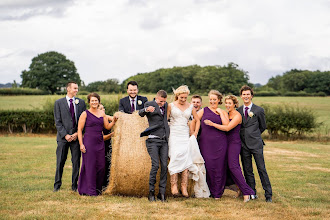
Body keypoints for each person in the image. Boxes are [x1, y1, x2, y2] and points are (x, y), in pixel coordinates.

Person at [204, 95, 257, 202]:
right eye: (226, 103)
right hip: (224, 143)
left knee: (234, 166)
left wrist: (212, 124)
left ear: (235, 104)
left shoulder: (237, 115)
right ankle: (239, 189)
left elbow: (227, 128)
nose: (227, 105)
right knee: (226, 167)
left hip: (234, 143)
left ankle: (248, 192)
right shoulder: (226, 113)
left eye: (230, 103)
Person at [237, 85, 272, 202]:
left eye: (248, 94)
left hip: (256, 144)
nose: (246, 96)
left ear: (251, 96)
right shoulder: (238, 111)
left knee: (261, 169)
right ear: (241, 96)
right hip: (243, 145)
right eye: (244, 94)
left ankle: (268, 195)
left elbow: (263, 126)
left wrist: (254, 135)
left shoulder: (259, 110)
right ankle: (252, 193)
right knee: (247, 170)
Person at [77, 93, 117, 196]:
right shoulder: (85, 114)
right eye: (92, 101)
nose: (94, 102)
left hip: (100, 143)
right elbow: (80, 130)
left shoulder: (102, 114)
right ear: (89, 102)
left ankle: (98, 189)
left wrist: (114, 122)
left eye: (96, 100)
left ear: (98, 101)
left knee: (101, 166)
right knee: (90, 166)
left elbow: (107, 127)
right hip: (89, 142)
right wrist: (81, 144)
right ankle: (90, 191)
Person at [167, 86, 202, 198]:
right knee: (175, 156)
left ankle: (184, 187)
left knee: (186, 158)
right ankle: (174, 186)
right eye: (181, 97)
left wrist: (195, 133)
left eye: (185, 97)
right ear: (177, 96)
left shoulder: (190, 106)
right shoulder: (171, 106)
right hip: (174, 133)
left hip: (184, 134)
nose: (183, 100)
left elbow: (197, 120)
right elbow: (166, 120)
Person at [53, 81, 86, 192]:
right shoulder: (58, 103)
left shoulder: (81, 103)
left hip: (76, 138)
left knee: (76, 162)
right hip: (63, 138)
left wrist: (77, 133)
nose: (77, 90)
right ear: (68, 89)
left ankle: (74, 186)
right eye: (75, 88)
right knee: (60, 162)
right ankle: (57, 185)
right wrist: (65, 135)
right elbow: (57, 122)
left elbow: (84, 121)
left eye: (77, 88)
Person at [197, 90, 229, 199]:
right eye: (210, 99)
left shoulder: (223, 111)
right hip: (205, 143)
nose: (212, 101)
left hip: (220, 143)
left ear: (219, 100)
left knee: (219, 167)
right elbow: (194, 121)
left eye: (214, 99)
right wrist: (193, 133)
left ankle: (217, 193)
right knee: (208, 166)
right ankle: (208, 190)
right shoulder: (204, 111)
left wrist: (220, 113)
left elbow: (226, 125)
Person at [138, 90, 170, 202]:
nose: (162, 103)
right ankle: (151, 192)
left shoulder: (166, 105)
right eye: (161, 101)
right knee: (156, 165)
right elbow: (140, 113)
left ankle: (162, 193)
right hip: (153, 140)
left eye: (164, 102)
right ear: (157, 98)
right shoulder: (149, 104)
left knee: (165, 166)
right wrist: (146, 110)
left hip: (164, 140)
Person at [98, 104, 114, 190]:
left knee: (108, 163)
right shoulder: (96, 120)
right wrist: (112, 134)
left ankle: (107, 185)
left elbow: (115, 119)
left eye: (103, 108)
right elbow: (102, 137)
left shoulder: (106, 117)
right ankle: (100, 185)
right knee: (101, 164)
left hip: (108, 144)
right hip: (100, 144)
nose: (103, 109)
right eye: (101, 108)